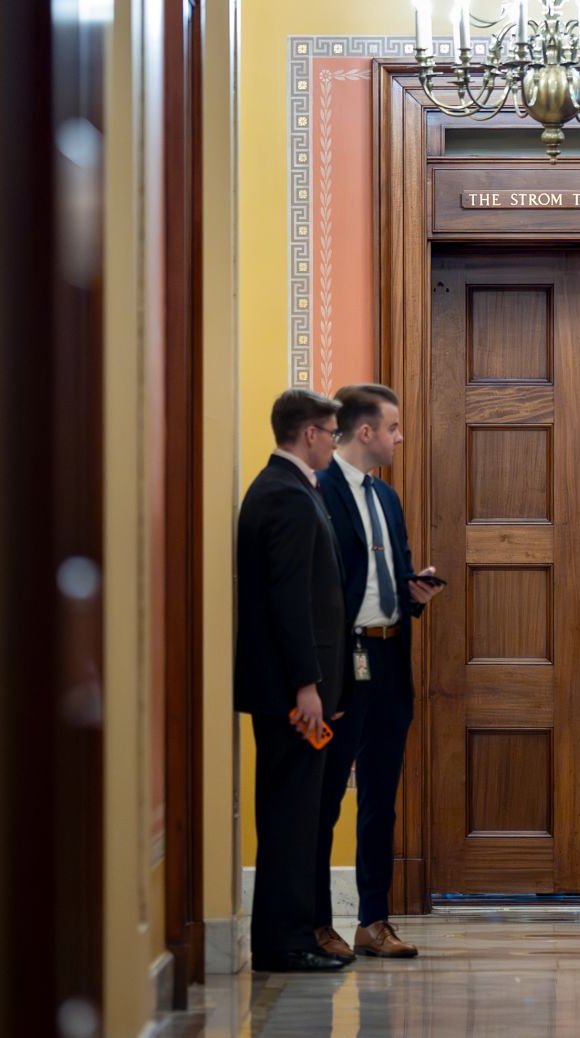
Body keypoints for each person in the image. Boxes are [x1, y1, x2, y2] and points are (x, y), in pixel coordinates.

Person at [312, 384, 444, 961]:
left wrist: (416, 592)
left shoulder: (387, 498)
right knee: (326, 799)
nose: (399, 436)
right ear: (364, 432)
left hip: (391, 660)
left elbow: (392, 576)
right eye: (392, 427)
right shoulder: (317, 490)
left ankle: (374, 921)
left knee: (382, 798)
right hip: (344, 661)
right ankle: (318, 923)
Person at [234, 389, 350, 973]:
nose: (334, 441)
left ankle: (292, 935)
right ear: (309, 432)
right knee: (288, 817)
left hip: (292, 687)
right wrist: (308, 685)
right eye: (332, 432)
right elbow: (288, 601)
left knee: (295, 815)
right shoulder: (284, 495)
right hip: (291, 692)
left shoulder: (286, 489)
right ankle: (284, 943)